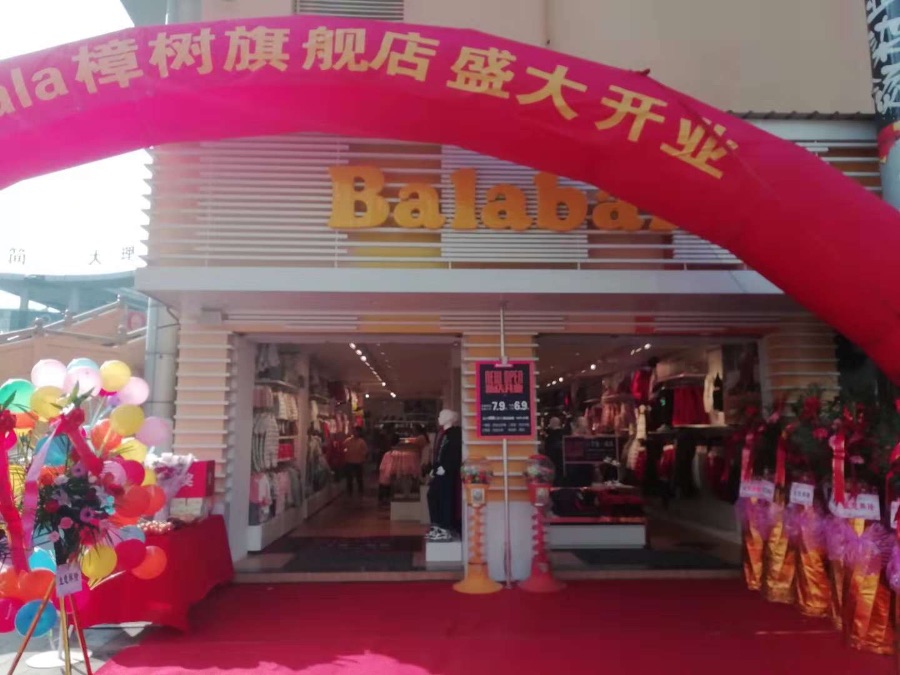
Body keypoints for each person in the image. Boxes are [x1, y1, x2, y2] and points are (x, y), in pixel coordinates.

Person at [343, 426, 368, 497]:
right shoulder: (347, 441)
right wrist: (346, 453)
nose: (355, 433)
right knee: (349, 478)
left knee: (359, 477)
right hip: (349, 461)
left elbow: (365, 451)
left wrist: (362, 457)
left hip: (358, 462)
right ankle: (349, 491)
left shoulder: (361, 442)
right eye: (354, 431)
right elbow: (344, 448)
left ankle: (360, 491)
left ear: (359, 433)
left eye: (356, 431)